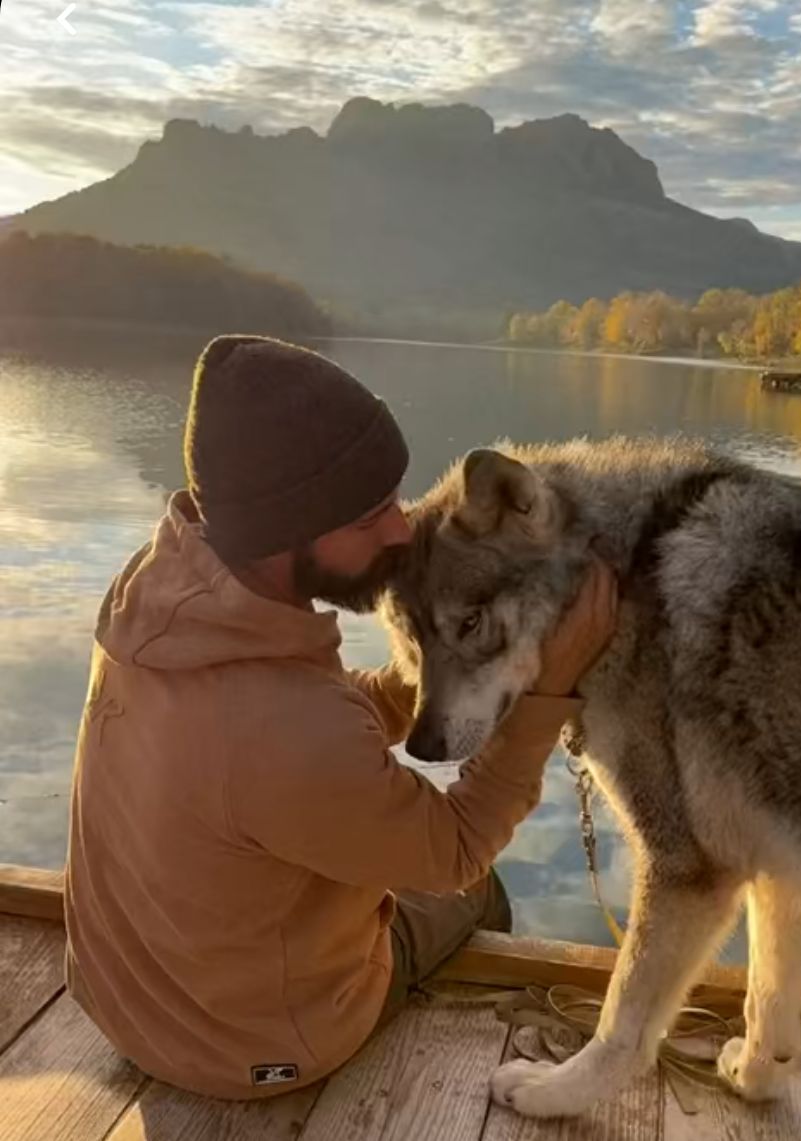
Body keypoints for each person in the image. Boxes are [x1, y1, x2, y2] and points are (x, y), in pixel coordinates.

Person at [65, 335, 617, 1100]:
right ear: (289, 530)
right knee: (478, 887)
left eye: (393, 497)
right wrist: (547, 695)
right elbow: (452, 845)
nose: (400, 530)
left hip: (124, 1003)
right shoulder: (285, 730)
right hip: (250, 1050)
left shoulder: (159, 599)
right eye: (368, 517)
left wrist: (429, 671)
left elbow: (286, 738)